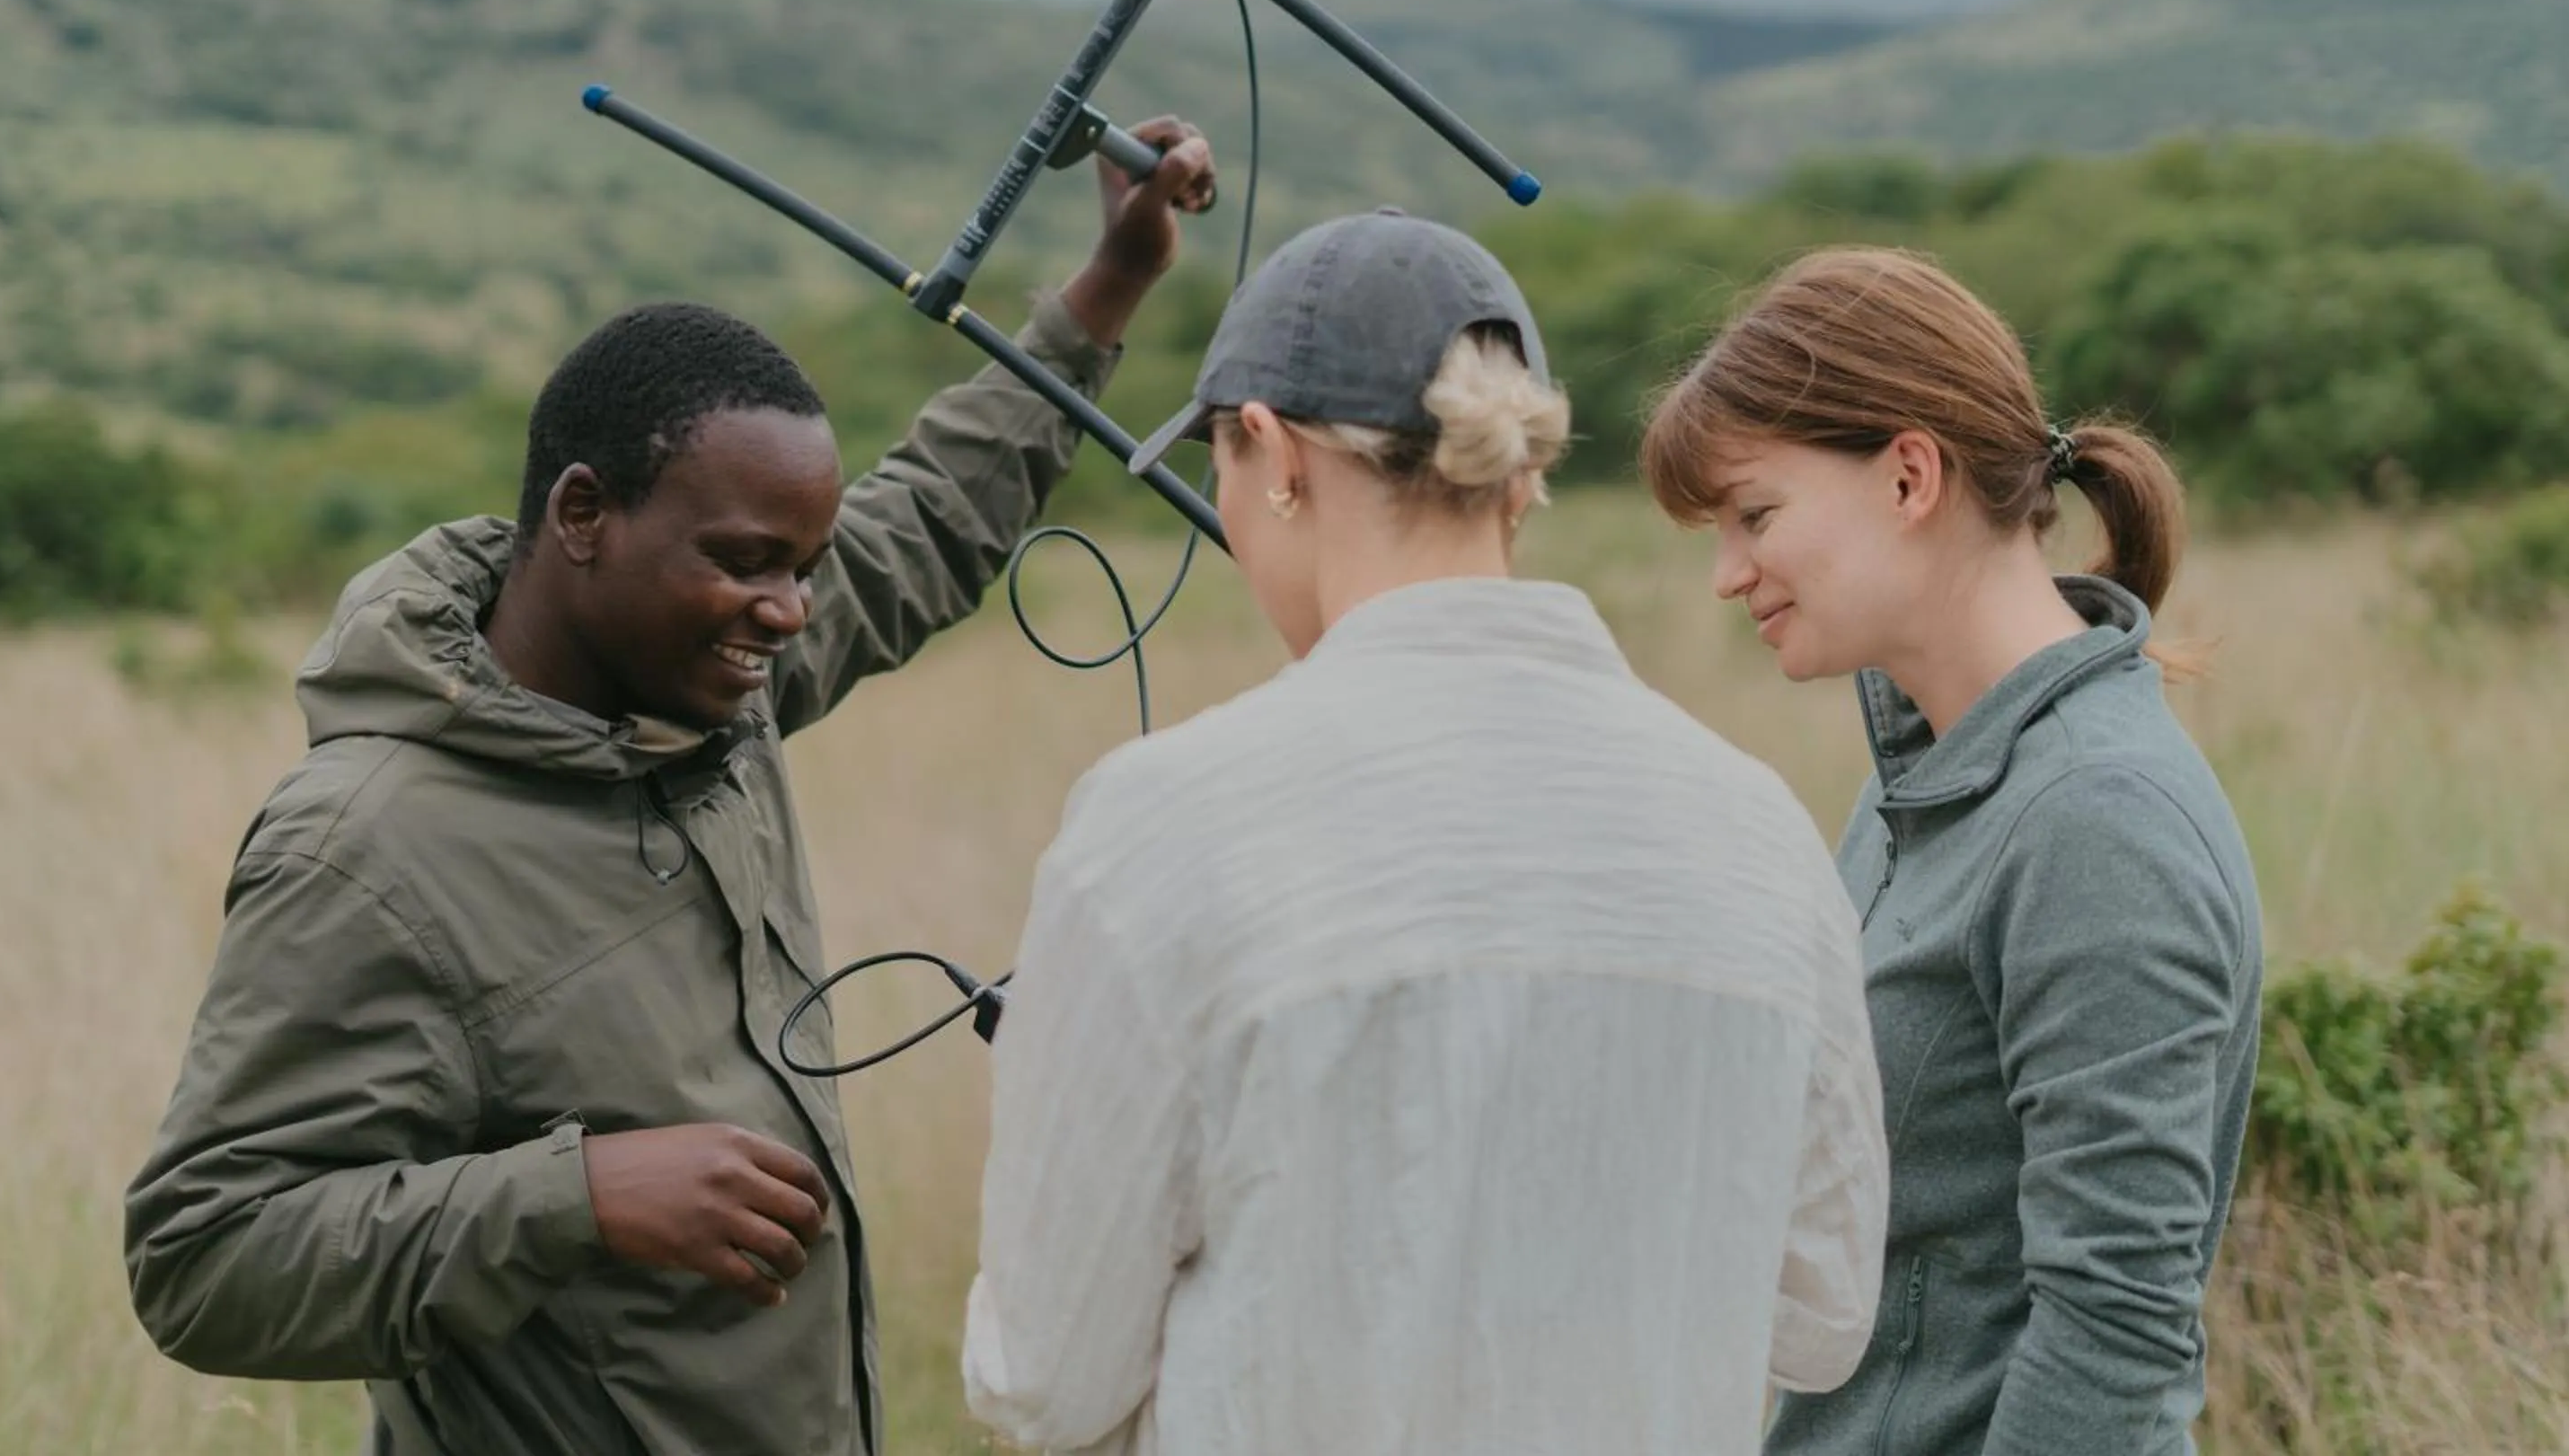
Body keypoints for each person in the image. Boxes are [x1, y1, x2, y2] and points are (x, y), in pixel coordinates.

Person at [121, 121, 1219, 1456]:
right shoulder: (365, 848)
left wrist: (1107, 284)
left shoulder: (703, 692)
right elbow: (204, 1258)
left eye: (803, 567)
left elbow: (925, 518)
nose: (790, 611)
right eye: (751, 561)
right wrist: (574, 1195)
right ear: (584, 516)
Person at [959, 208, 1889, 1456]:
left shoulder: (1164, 825)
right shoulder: (1760, 833)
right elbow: (1824, 1317)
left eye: (1224, 471)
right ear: (1517, 476)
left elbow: (1041, 1379)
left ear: (1270, 452)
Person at [1638, 246, 2265, 1456]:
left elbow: (2118, 1337)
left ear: (1910, 474)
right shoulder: (1921, 779)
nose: (1728, 574)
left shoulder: (2100, 820)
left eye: (1754, 515)